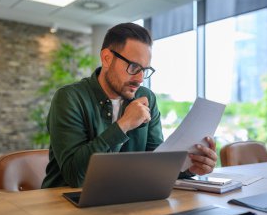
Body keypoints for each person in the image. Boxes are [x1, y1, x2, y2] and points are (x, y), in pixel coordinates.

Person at [41, 23, 217, 188]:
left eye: (145, 70)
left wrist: (188, 168)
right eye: (133, 67)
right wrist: (124, 124)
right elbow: (75, 176)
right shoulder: (70, 98)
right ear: (107, 58)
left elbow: (155, 162)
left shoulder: (146, 97)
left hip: (125, 197)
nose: (140, 79)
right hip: (65, 204)